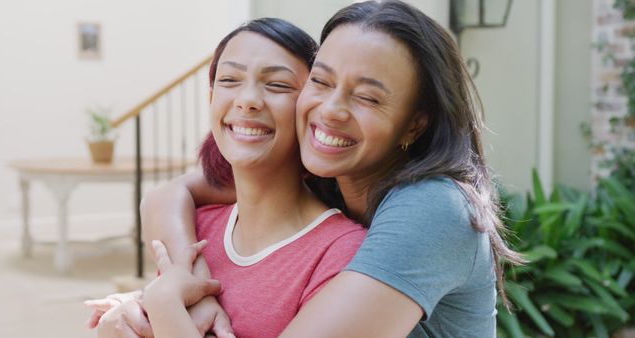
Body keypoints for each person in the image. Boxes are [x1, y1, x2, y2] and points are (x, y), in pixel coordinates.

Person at [94, 1, 524, 337]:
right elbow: (169, 195)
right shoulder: (333, 181)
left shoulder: (433, 207)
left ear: (414, 122)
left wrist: (168, 303)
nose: (331, 110)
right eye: (321, 81)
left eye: (368, 98)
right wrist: (188, 283)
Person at [85, 17, 366, 338]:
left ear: (311, 107)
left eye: (277, 84)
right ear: (211, 98)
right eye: (230, 80)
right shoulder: (196, 228)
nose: (247, 100)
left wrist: (163, 302)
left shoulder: (340, 251)